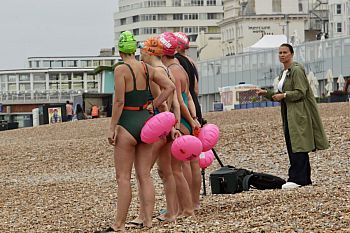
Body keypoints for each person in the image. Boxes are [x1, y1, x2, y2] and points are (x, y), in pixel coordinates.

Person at [95, 31, 175, 233]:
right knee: (144, 176)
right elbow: (170, 87)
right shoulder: (147, 68)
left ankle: (119, 224)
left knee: (123, 178)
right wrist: (154, 104)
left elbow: (120, 101)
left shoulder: (121, 69)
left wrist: (112, 127)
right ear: (134, 49)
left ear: (121, 50)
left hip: (128, 124)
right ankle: (147, 221)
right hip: (146, 124)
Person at [255, 43, 329, 189]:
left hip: (299, 112)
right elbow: (280, 95)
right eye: (280, 53)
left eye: (285, 52)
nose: (282, 55)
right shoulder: (284, 72)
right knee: (293, 142)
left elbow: (301, 92)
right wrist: (266, 93)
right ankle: (302, 178)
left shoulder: (296, 70)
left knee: (299, 144)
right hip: (289, 113)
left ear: (292, 54)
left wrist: (284, 95)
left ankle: (298, 178)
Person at [130, 36, 181, 226]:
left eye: (142, 50)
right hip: (168, 126)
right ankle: (171, 212)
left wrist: (154, 106)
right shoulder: (168, 70)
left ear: (148, 52)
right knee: (166, 172)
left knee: (143, 173)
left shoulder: (153, 72)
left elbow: (164, 99)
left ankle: (143, 215)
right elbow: (175, 103)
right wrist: (174, 126)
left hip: (157, 127)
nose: (140, 53)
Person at [161, 32, 200, 218]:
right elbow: (191, 95)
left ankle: (184, 207)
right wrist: (194, 117)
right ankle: (193, 203)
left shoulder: (172, 71)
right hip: (188, 118)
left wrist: (188, 120)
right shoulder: (182, 68)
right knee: (191, 164)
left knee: (177, 168)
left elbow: (179, 102)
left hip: (180, 120)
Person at [174, 32, 202, 210]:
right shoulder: (191, 63)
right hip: (195, 107)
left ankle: (185, 203)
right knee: (195, 160)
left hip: (184, 109)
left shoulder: (174, 64)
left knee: (183, 160)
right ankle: (196, 201)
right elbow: (196, 90)